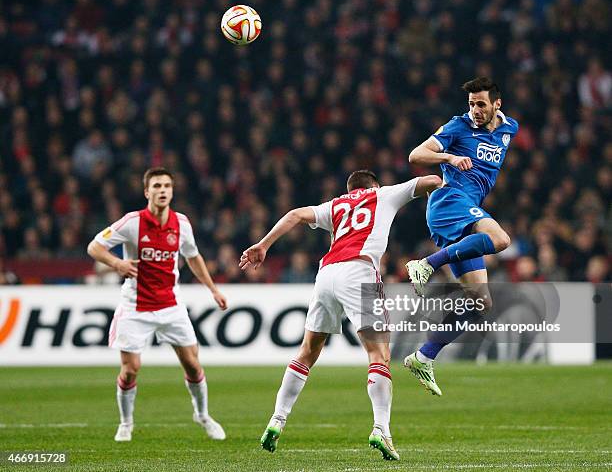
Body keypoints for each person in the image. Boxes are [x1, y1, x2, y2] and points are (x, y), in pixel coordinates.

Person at [240, 170, 441, 461]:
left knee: (307, 351)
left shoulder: (334, 206)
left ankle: (277, 419)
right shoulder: (382, 194)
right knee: (379, 354)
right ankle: (381, 429)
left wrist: (263, 245)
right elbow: (432, 181)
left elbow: (295, 214)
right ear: (373, 185)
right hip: (359, 271)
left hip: (327, 274)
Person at [87, 167, 228, 442]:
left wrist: (213, 289)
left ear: (172, 191)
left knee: (193, 365)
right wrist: (117, 263)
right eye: (157, 186)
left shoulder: (182, 224)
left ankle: (202, 415)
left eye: (167, 186)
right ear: (146, 192)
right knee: (130, 370)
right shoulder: (132, 222)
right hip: (135, 306)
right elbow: (94, 247)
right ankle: (126, 423)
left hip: (170, 305)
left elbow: (193, 257)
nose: (162, 191)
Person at [404, 77, 519, 396]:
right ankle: (426, 264)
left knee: (482, 303)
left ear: (497, 104)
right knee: (501, 240)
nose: (475, 110)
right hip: (449, 201)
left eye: (481, 104)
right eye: (471, 104)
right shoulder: (457, 126)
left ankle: (423, 357)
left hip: (466, 212)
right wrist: (449, 158)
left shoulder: (510, 128)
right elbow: (416, 155)